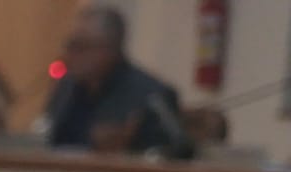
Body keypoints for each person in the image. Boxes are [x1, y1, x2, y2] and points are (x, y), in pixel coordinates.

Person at [45, 5, 190, 157]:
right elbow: (50, 141)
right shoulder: (66, 86)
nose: (69, 55)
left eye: (81, 47)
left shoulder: (152, 95)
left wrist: (124, 151)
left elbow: (178, 153)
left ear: (111, 49)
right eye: (70, 45)